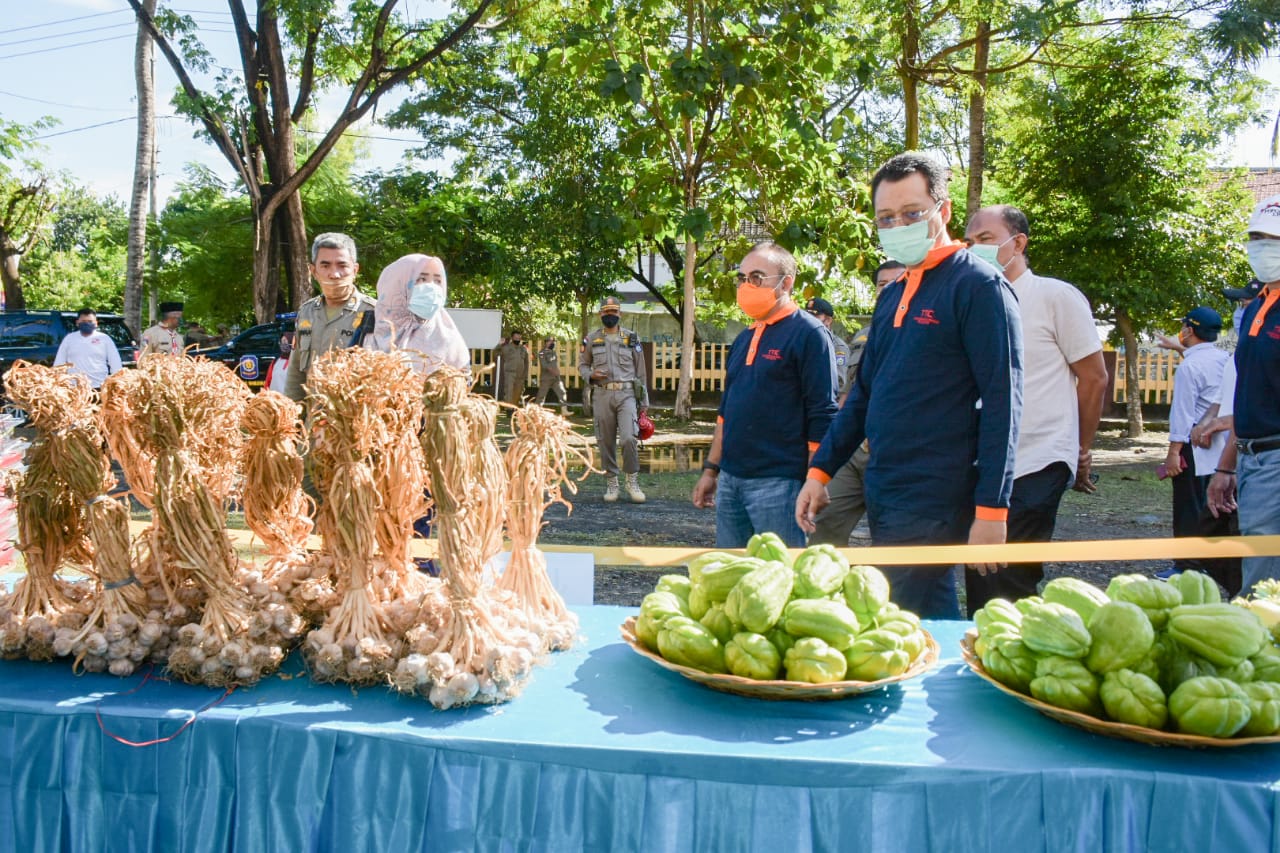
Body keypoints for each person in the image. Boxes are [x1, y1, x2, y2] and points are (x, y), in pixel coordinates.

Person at [796, 151, 1023, 620]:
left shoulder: (979, 286)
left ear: (943, 212)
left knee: (898, 608)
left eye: (911, 213)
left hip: (937, 490)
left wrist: (992, 511)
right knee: (924, 612)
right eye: (886, 217)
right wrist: (820, 473)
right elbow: (863, 395)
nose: (898, 224)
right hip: (885, 481)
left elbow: (1004, 403)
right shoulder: (895, 292)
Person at [962, 204, 1109, 614]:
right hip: (982, 462)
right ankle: (986, 658)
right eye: (970, 242)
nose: (975, 249)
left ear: (1019, 243)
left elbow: (1094, 377)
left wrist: (1080, 448)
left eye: (986, 240)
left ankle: (1008, 657)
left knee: (1007, 578)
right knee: (981, 574)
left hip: (1038, 458)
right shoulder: (973, 300)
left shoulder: (1054, 296)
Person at [692, 242, 837, 547]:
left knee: (782, 578)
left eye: (757, 277)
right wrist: (711, 470)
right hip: (731, 481)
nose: (747, 285)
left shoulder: (809, 334)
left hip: (779, 484)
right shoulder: (744, 338)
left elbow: (822, 412)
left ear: (786, 283)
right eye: (743, 278)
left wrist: (816, 478)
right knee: (733, 577)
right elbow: (725, 413)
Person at [1207, 194, 1280, 592]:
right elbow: (1248, 394)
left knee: (1262, 588)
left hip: (1276, 458)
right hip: (1253, 459)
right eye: (1256, 236)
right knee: (1260, 577)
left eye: (1272, 238)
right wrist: (1227, 465)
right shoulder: (1255, 307)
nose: (1262, 246)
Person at [807, 261, 904, 547]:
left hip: (893, 452)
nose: (887, 289)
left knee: (893, 539)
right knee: (821, 527)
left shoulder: (926, 331)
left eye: (896, 282)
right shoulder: (864, 335)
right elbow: (849, 393)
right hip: (852, 448)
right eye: (881, 284)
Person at [1162, 306, 1240, 595]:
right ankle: (1210, 559)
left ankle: (1186, 564)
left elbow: (1181, 414)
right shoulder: (1225, 358)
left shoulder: (1189, 367)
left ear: (1189, 331)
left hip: (1194, 443)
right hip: (1224, 444)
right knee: (1216, 503)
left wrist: (1173, 453)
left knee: (1187, 503)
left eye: (1183, 326)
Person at [284, 232, 377, 402]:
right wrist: (292, 419)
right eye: (325, 266)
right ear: (313, 271)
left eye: (342, 265)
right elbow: (296, 372)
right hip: (313, 422)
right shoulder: (307, 312)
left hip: (354, 422)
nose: (334, 274)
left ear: (355, 270)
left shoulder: (374, 313)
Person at [581, 296, 651, 503]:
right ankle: (612, 483)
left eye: (613, 311)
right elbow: (583, 365)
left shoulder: (631, 338)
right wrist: (591, 375)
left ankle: (632, 481)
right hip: (602, 394)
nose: (610, 315)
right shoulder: (592, 338)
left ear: (619, 314)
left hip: (627, 394)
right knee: (606, 440)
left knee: (629, 437)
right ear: (600, 314)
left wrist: (644, 400)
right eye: (606, 311)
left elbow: (641, 371)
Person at [364, 253, 470, 376]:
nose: (431, 287)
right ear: (396, 284)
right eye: (421, 279)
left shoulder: (447, 337)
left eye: (437, 281)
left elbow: (461, 383)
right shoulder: (368, 329)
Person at [52, 308, 122, 389]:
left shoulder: (104, 339)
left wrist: (117, 382)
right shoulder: (69, 339)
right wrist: (57, 381)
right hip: (74, 387)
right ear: (77, 323)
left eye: (90, 321)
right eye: (83, 321)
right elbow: (59, 363)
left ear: (96, 323)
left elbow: (115, 362)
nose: (87, 324)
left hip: (99, 386)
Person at [804, 297, 851, 400]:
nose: (808, 319)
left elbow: (840, 382)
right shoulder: (805, 342)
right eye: (807, 315)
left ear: (828, 320)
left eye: (815, 316)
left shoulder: (838, 347)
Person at [534, 339, 570, 415]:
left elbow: (554, 364)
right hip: (546, 378)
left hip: (555, 378)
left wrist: (557, 372)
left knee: (562, 392)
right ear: (546, 343)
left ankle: (564, 410)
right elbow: (544, 365)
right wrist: (553, 371)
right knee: (541, 395)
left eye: (553, 342)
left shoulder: (553, 352)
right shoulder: (541, 353)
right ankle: (536, 412)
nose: (552, 343)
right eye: (551, 342)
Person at [494, 333, 529, 405]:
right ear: (512, 338)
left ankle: (514, 408)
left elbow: (526, 362)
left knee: (518, 392)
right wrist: (499, 344)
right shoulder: (506, 348)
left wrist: (525, 375)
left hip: (520, 375)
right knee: (509, 392)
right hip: (510, 373)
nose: (517, 339)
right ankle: (509, 410)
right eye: (516, 338)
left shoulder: (523, 349)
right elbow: (495, 353)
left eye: (519, 338)